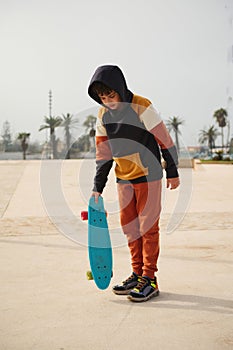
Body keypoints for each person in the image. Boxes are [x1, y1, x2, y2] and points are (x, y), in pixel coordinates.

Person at [88, 65, 180, 302]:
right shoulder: (103, 116)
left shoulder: (142, 105)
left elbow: (164, 139)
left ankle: (150, 278)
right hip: (124, 177)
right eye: (103, 98)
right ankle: (137, 273)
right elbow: (103, 154)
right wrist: (97, 186)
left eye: (112, 96)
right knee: (130, 228)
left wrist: (172, 170)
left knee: (148, 229)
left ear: (120, 89)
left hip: (148, 176)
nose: (108, 102)